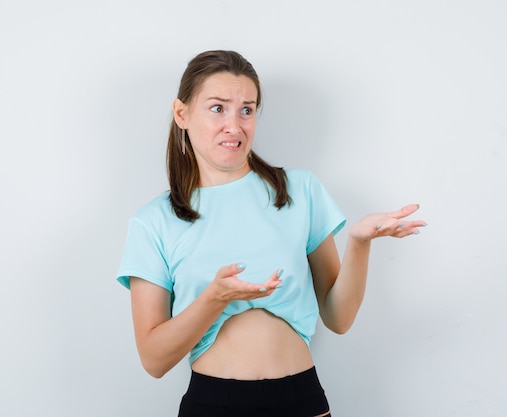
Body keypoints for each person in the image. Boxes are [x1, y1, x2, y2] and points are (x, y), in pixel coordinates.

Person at [116, 50, 426, 417]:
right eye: (218, 108)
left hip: (301, 398)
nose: (234, 125)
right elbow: (154, 360)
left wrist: (358, 244)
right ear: (182, 114)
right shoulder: (154, 221)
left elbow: (338, 318)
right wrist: (214, 298)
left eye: (246, 110)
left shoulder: (299, 190)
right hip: (213, 404)